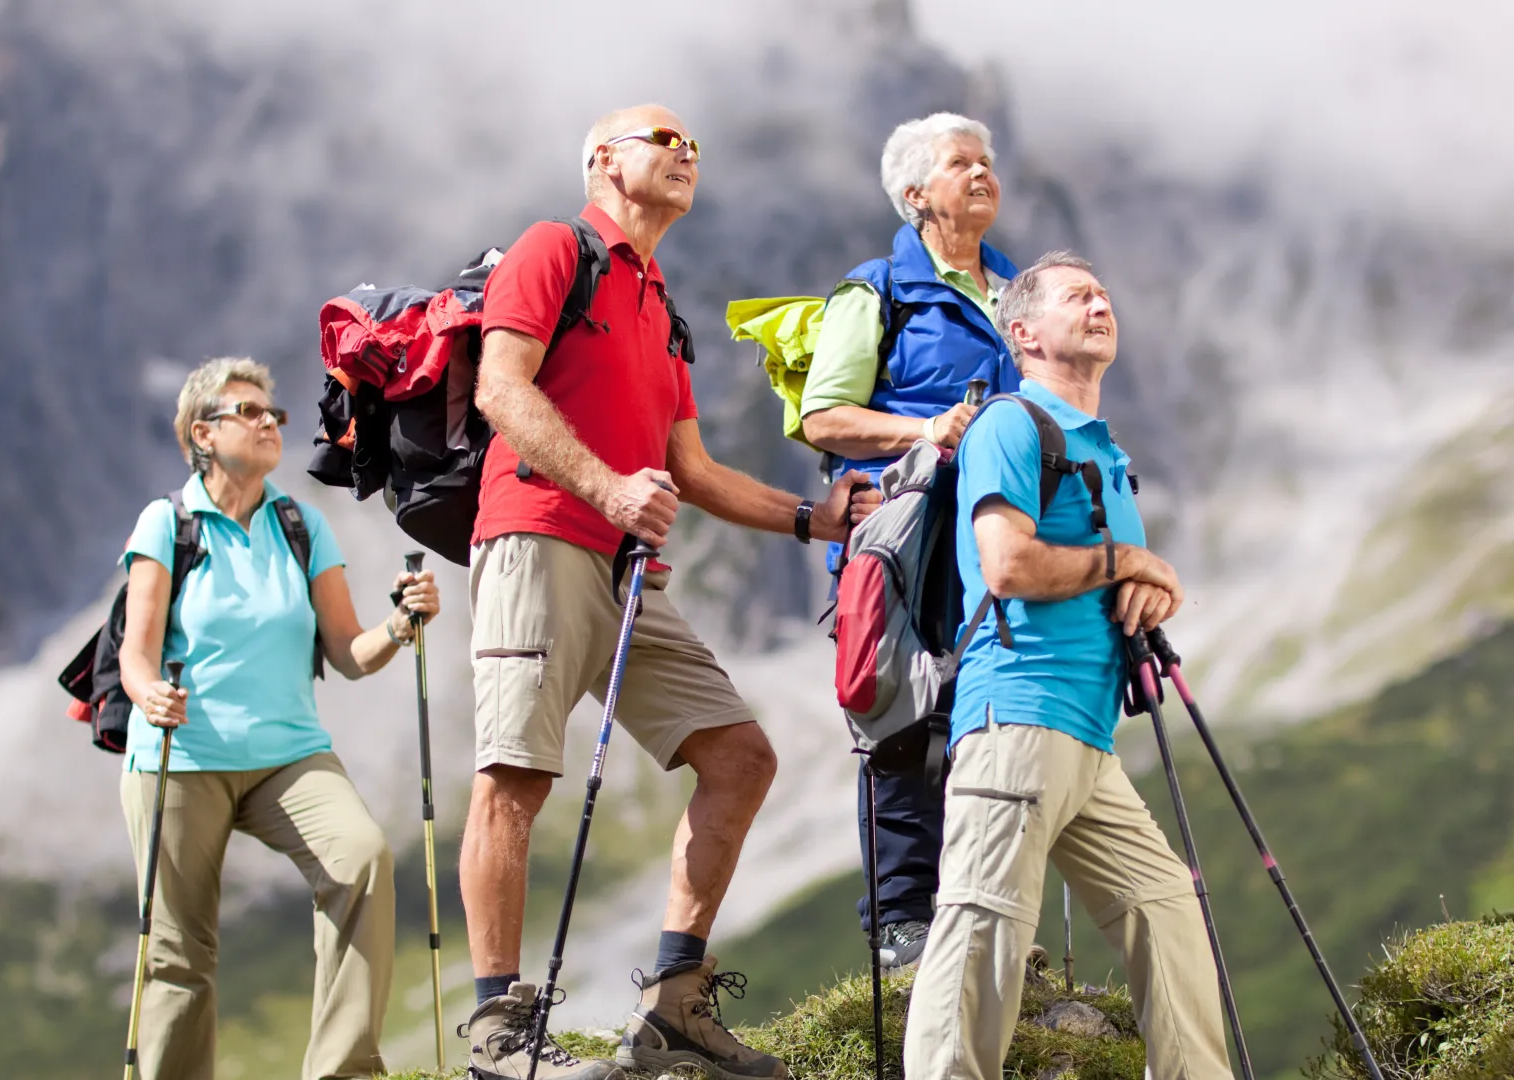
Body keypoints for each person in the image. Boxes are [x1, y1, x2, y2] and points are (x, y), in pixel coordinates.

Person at [459, 104, 881, 1080]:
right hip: (537, 536)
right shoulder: (552, 248)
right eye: (664, 138)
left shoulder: (661, 305)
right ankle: (496, 1031)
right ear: (603, 159)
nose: (687, 153)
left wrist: (812, 519)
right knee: (516, 773)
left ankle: (673, 1008)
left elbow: (688, 466)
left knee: (740, 757)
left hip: (623, 569)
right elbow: (500, 389)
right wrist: (606, 485)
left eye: (696, 144)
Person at [902, 253, 1234, 1080]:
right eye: (1077, 296)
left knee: (1166, 910)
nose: (1100, 303)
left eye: (1105, 294)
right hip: (1017, 711)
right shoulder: (1013, 424)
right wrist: (1125, 559)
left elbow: (1105, 572)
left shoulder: (1103, 451)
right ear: (1024, 332)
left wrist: (1139, 585)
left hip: (1085, 736)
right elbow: (1008, 564)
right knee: (984, 930)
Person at [117, 356, 441, 1080]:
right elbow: (136, 652)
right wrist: (148, 696)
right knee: (178, 956)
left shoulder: (300, 526)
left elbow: (349, 652)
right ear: (202, 433)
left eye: (275, 415)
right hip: (182, 756)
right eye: (249, 412)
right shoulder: (167, 523)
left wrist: (398, 624)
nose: (270, 424)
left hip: (287, 756)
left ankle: (343, 1070)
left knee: (361, 859)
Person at [799, 112, 1021, 970]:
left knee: (988, 715)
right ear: (915, 195)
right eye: (961, 163)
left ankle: (978, 914)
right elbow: (826, 417)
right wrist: (929, 430)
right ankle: (900, 920)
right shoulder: (875, 289)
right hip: (909, 536)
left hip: (999, 534)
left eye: (987, 161)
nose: (982, 173)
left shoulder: (1017, 291)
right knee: (904, 715)